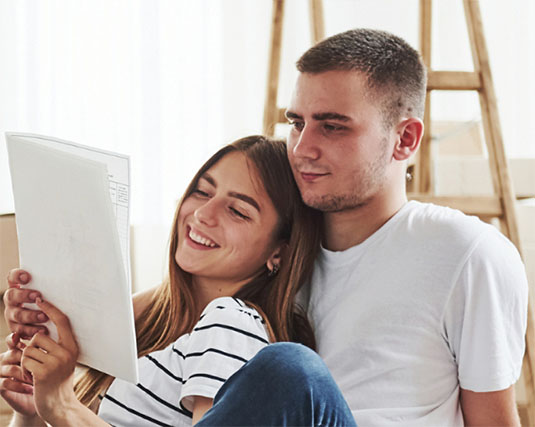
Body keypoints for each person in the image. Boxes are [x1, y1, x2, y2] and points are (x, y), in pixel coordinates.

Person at [4, 28, 529, 426]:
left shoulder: (467, 252)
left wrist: (60, 402)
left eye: (333, 125)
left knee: (289, 369)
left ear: (405, 140)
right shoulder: (271, 252)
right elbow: (156, 302)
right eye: (297, 122)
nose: (302, 148)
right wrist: (48, 317)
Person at [0, 135, 355, 426]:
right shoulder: (155, 332)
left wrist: (63, 407)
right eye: (202, 191)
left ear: (278, 252)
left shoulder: (231, 321)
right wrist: (30, 411)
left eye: (237, 211)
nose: (202, 214)